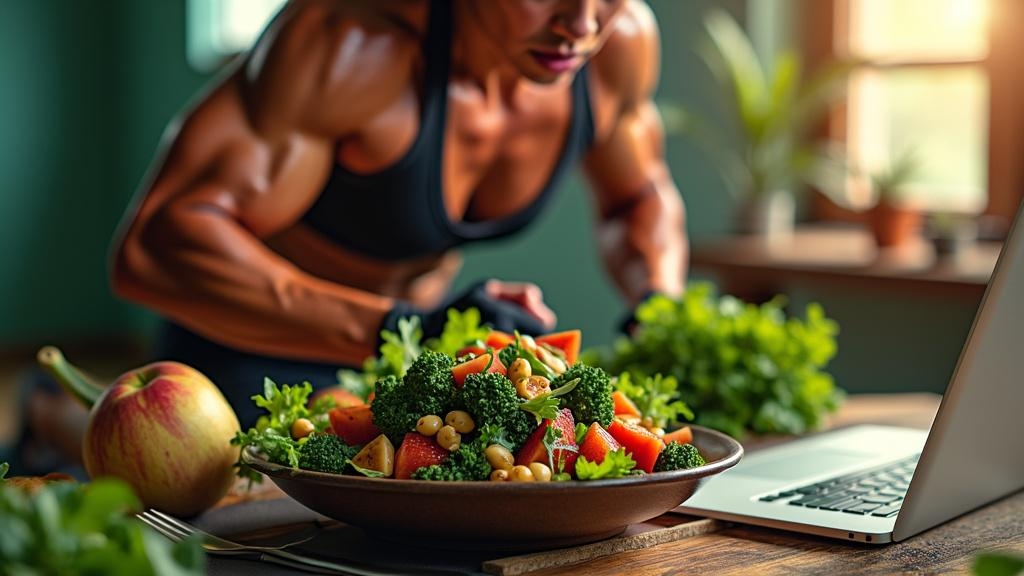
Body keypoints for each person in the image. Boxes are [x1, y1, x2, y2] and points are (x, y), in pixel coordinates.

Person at [38, 0, 688, 440]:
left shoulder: (618, 42)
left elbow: (638, 197)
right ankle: (54, 416)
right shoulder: (351, 41)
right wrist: (398, 327)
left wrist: (657, 300)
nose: (582, 24)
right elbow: (156, 244)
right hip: (253, 356)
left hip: (406, 363)